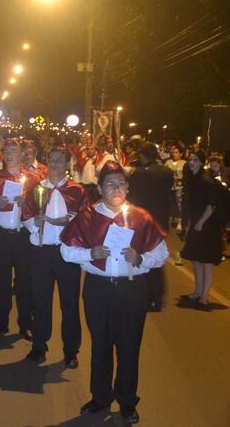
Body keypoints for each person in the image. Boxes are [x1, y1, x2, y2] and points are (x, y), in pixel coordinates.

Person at [61, 161, 167, 424]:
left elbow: (162, 253)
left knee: (129, 347)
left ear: (127, 187)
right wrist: (90, 253)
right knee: (101, 345)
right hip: (99, 290)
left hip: (132, 291)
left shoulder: (141, 217)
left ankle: (128, 401)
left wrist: (140, 258)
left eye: (120, 183)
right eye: (110, 184)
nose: (116, 188)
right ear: (99, 188)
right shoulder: (87, 217)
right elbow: (66, 251)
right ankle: (100, 397)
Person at [21, 146, 88, 367]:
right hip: (42, 251)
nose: (56, 163)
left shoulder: (77, 190)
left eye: (60, 160)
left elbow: (87, 220)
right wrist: (34, 223)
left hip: (66, 253)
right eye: (52, 159)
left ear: (67, 163)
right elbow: (26, 215)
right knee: (40, 301)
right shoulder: (38, 188)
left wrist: (70, 220)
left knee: (69, 303)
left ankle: (71, 350)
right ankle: (39, 346)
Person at [0, 138, 41, 339]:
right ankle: (0, 322)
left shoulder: (33, 178)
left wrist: (29, 201)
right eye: (6, 151)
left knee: (25, 281)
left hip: (23, 235)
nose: (8, 154)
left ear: (23, 153)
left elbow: (42, 204)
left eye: (13, 150)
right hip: (1, 235)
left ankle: (25, 323)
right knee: (1, 281)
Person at [127, 142, 174, 311]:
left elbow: (133, 197)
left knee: (146, 256)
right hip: (162, 218)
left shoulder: (140, 174)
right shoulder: (167, 172)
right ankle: (158, 296)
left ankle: (150, 296)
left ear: (142, 156)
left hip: (146, 220)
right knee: (158, 256)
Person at [180, 150, 224, 310]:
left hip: (207, 226)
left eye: (195, 160)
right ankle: (197, 291)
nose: (191, 162)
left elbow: (212, 204)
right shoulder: (193, 179)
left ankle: (205, 296)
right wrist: (191, 224)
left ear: (201, 162)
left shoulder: (206, 180)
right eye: (190, 159)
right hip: (197, 223)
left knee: (206, 261)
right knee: (195, 258)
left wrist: (200, 223)